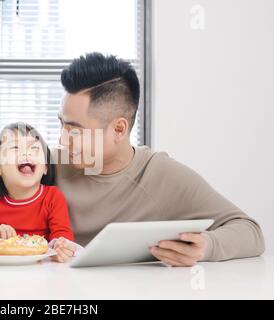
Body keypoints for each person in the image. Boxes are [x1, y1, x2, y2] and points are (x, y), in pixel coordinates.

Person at [52, 52, 265, 266]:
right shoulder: (44, 165)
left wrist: (206, 246)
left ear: (118, 129)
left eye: (75, 130)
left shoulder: (161, 175)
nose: (62, 139)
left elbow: (249, 231)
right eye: (61, 123)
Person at [0, 122, 80, 262]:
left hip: (41, 273)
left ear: (45, 167)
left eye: (35, 148)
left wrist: (60, 247)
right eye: (15, 147)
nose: (27, 153)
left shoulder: (52, 197)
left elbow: (62, 235)